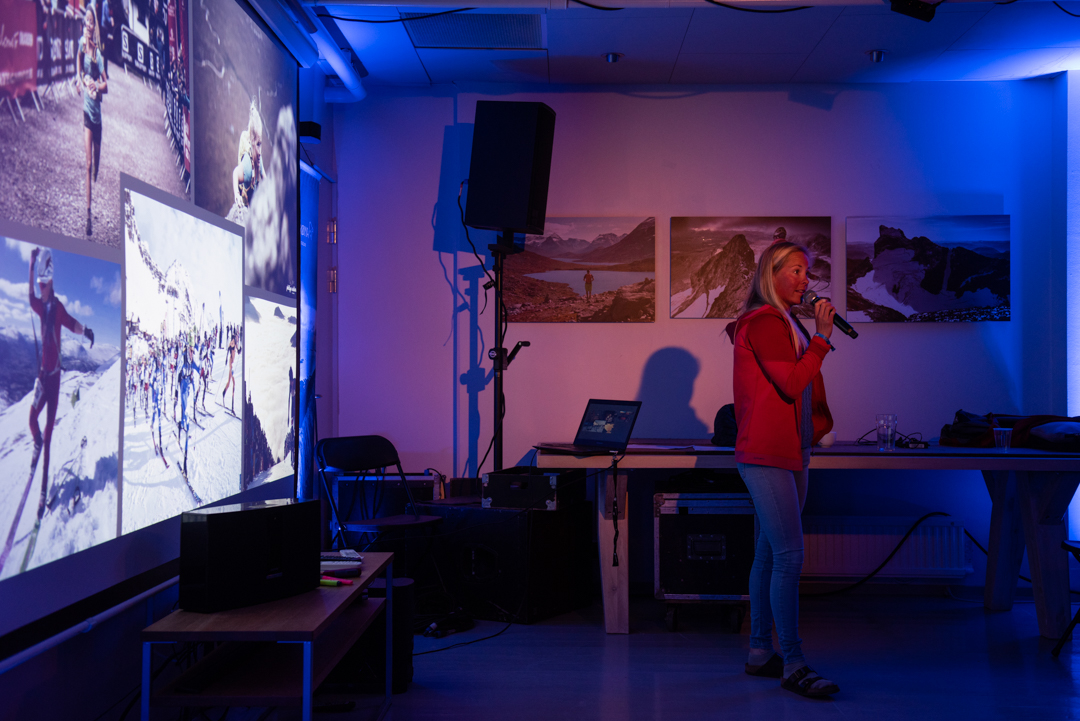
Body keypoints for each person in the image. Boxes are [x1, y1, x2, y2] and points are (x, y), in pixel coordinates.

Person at [725, 240, 840, 698]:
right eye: (795, 270)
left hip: (790, 449)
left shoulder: (786, 321)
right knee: (789, 556)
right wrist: (823, 338)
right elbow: (791, 383)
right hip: (766, 452)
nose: (805, 280)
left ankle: (759, 652)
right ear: (770, 274)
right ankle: (793, 662)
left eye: (806, 271)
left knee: (770, 555)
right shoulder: (764, 321)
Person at [27, 248, 95, 538]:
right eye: (40, 284)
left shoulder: (57, 308)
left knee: (49, 436)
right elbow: (29, 296)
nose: (41, 289)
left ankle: (43, 491)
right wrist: (31, 264)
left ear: (51, 283)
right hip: (43, 379)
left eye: (44, 284)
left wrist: (86, 330)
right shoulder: (40, 306)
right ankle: (36, 443)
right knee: (32, 421)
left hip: (55, 382)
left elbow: (72, 323)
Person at [77, 6, 107, 237]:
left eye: (91, 22)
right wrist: (80, 81)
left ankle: (95, 168)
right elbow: (77, 67)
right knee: (87, 165)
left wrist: (97, 85)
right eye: (86, 21)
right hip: (87, 111)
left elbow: (106, 85)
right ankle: (88, 215)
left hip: (98, 114)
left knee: (95, 164)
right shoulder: (81, 45)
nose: (88, 24)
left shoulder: (98, 54)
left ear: (94, 25)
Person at [232, 99, 264, 210]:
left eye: (260, 144)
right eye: (257, 145)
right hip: (246, 200)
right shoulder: (247, 166)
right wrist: (237, 194)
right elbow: (235, 173)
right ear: (251, 143)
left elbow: (264, 178)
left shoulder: (259, 158)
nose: (259, 151)